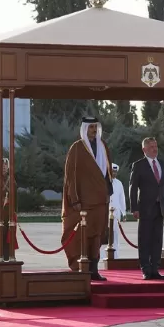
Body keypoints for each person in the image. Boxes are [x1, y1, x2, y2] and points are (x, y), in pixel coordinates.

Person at [62, 116, 114, 280]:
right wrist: (75, 199)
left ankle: (94, 269)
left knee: (96, 236)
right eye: (90, 127)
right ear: (85, 129)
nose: (93, 130)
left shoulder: (103, 146)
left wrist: (108, 191)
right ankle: (81, 268)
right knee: (81, 236)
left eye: (95, 127)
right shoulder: (77, 148)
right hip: (84, 203)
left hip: (100, 201)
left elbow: (107, 173)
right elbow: (71, 176)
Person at [129, 137, 164, 280]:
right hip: (145, 209)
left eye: (156, 146)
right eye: (151, 146)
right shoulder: (139, 165)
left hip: (160, 209)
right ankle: (146, 269)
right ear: (144, 149)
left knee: (157, 240)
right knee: (145, 240)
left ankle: (155, 269)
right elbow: (133, 188)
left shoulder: (163, 164)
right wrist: (134, 208)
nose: (155, 149)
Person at [103, 162, 127, 258]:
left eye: (116, 172)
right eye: (112, 171)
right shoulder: (103, 182)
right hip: (105, 213)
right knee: (104, 235)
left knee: (115, 234)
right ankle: (103, 255)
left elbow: (122, 199)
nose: (114, 173)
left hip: (116, 213)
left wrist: (124, 212)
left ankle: (115, 255)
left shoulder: (119, 183)